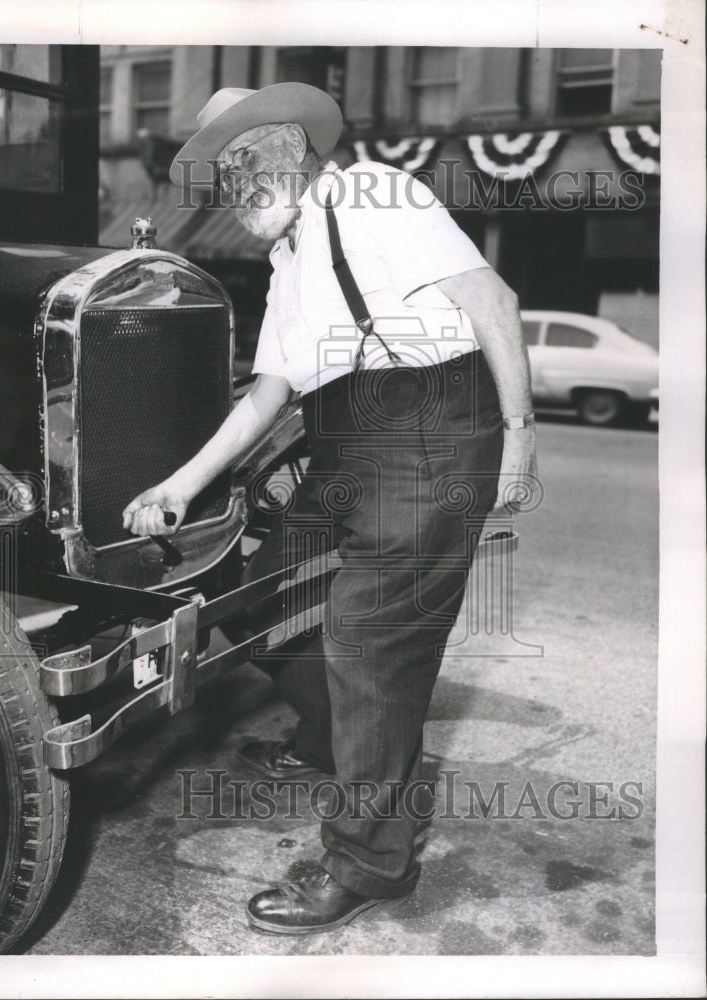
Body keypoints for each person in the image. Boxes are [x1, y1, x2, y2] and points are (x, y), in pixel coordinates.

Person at [123, 83, 537, 934]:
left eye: (244, 163)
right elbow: (265, 396)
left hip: (429, 428)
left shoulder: (376, 194)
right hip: (342, 438)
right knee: (262, 601)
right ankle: (336, 740)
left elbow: (492, 303)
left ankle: (368, 860)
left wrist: (520, 439)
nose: (233, 189)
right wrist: (179, 484)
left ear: (291, 150)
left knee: (371, 646)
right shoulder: (288, 260)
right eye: (220, 174)